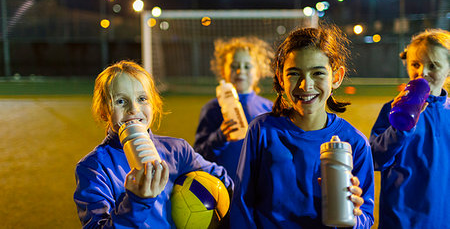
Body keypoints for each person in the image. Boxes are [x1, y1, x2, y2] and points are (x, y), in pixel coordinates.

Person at [230, 26, 375, 228]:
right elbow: (242, 205)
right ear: (281, 78)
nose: (305, 85)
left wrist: (353, 218)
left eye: (317, 73)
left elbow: (366, 218)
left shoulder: (355, 143)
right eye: (294, 73)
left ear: (337, 77)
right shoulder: (262, 131)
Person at [73, 60, 233, 228]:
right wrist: (136, 201)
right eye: (121, 101)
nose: (133, 109)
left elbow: (220, 178)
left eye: (142, 98)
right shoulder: (94, 168)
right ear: (104, 111)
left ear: (154, 104)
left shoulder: (177, 150)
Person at [370, 29, 450, 228]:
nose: (422, 72)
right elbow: (375, 158)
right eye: (416, 64)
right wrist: (400, 127)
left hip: (441, 218)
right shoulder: (391, 109)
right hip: (400, 219)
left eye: (433, 65)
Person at [194, 37, 274, 180]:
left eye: (247, 66)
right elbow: (199, 155)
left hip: (258, 188)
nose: (239, 70)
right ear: (223, 70)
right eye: (233, 65)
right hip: (223, 188)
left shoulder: (269, 109)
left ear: (258, 72)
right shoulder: (212, 109)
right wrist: (220, 137)